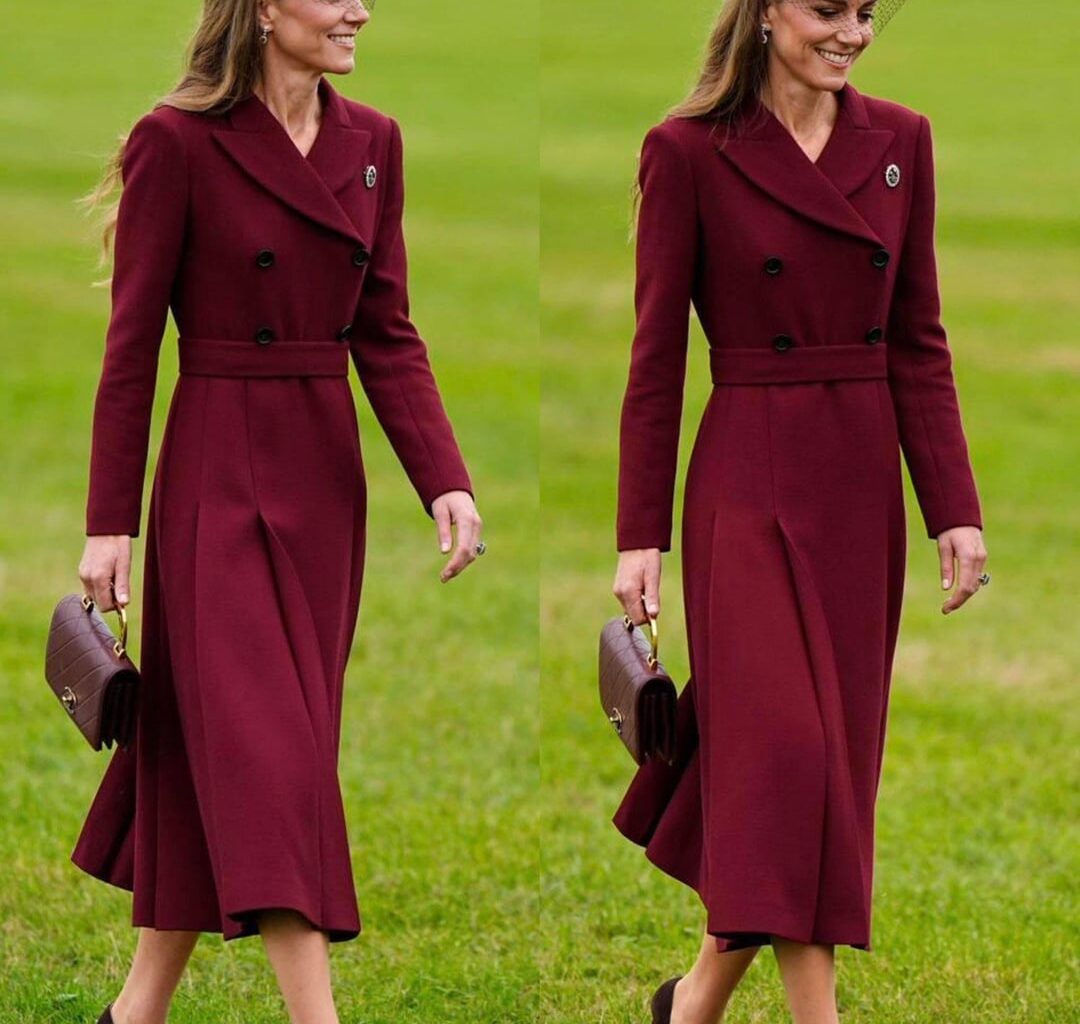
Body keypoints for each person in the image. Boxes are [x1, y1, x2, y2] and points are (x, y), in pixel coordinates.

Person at [72, 2, 483, 1022]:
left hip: (322, 484)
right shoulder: (174, 142)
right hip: (214, 472)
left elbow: (386, 329)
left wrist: (445, 477)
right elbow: (131, 347)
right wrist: (110, 523)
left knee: (226, 745)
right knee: (275, 756)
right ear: (262, 9)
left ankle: (134, 1010)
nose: (358, 10)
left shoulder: (374, 144)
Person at [609, 2, 989, 1022]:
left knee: (810, 774)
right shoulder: (685, 152)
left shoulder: (902, 140)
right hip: (747, 481)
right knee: (792, 758)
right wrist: (640, 537)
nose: (852, 32)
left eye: (865, 12)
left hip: (858, 492)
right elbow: (656, 358)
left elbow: (919, 338)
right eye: (828, 9)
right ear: (767, 10)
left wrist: (953, 506)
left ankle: (692, 1003)